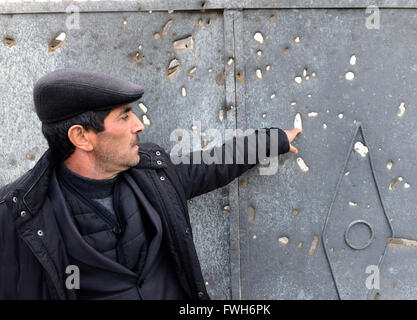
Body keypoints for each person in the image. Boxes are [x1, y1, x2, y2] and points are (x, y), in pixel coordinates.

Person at [0, 68, 302, 300]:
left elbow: (211, 164)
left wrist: (273, 140)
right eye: (124, 116)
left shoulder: (153, 170)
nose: (139, 125)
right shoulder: (17, 214)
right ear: (81, 137)